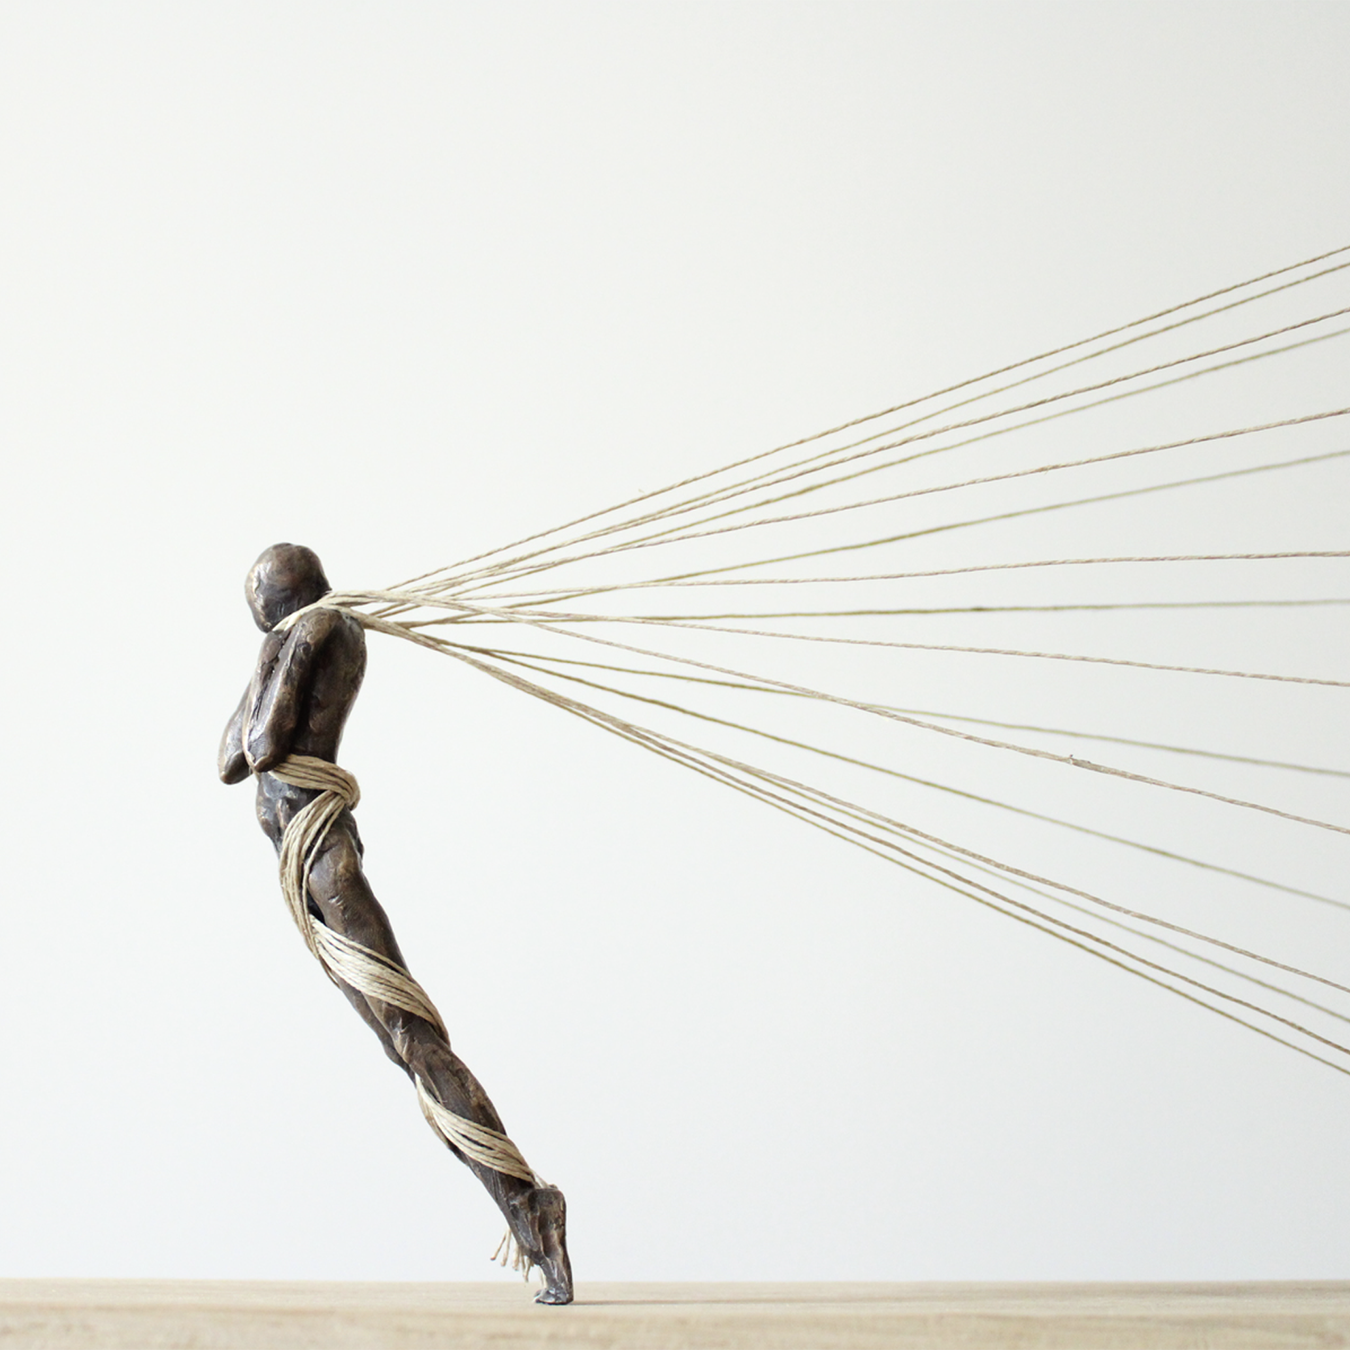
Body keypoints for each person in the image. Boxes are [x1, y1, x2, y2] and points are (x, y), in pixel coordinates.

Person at [218, 542, 573, 1304]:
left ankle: (532, 1205)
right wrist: (265, 663)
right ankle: (524, 1206)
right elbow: (226, 763)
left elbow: (261, 745)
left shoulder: (319, 632)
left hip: (323, 859)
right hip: (306, 862)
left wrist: (272, 658)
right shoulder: (298, 638)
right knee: (405, 1047)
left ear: (287, 594)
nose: (255, 614)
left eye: (260, 602)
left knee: (413, 1040)